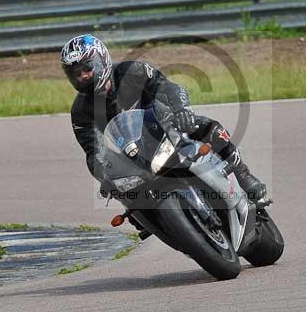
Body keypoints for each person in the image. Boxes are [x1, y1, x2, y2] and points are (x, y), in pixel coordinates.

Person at [62, 34, 268, 202]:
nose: (83, 77)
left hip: (162, 127)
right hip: (130, 156)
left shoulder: (131, 71)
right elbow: (93, 151)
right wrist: (103, 176)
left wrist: (182, 110)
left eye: (87, 68)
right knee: (121, 192)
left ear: (101, 60)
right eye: (76, 74)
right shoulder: (80, 112)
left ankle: (243, 174)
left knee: (205, 127)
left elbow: (167, 87)